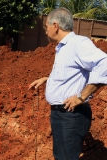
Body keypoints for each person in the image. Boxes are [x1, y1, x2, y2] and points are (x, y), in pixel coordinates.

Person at [28, 7, 107, 160]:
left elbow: (104, 64)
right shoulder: (63, 47)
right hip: (62, 114)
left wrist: (81, 96)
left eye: (47, 26)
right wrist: (47, 79)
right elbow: (69, 74)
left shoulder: (77, 44)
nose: (46, 31)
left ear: (55, 26)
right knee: (61, 156)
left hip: (71, 115)